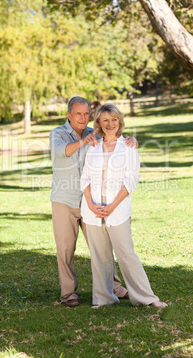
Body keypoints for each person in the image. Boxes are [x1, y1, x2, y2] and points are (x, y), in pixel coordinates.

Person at [49, 97, 137, 307]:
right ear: (69, 115)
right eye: (78, 113)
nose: (83, 117)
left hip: (92, 203)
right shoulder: (57, 134)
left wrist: (132, 140)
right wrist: (83, 142)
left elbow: (115, 139)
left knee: (103, 247)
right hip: (65, 201)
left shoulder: (94, 133)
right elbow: (62, 152)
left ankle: (115, 287)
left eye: (86, 113)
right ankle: (69, 293)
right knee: (66, 249)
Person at [80, 103, 168, 308]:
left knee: (126, 255)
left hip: (117, 210)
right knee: (99, 257)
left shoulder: (128, 145)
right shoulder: (93, 145)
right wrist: (91, 204)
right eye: (105, 120)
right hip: (92, 210)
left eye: (114, 119)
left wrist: (111, 206)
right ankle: (103, 299)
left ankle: (147, 298)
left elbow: (131, 180)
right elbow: (85, 177)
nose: (110, 124)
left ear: (119, 121)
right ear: (99, 123)